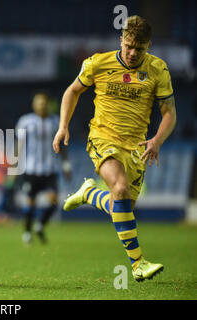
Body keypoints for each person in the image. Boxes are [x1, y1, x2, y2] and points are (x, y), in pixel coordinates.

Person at [52, 16, 176, 282]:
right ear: (121, 39)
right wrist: (63, 125)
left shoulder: (158, 69)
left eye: (139, 49)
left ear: (148, 46)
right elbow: (72, 91)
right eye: (128, 45)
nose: (132, 53)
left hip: (137, 147)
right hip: (103, 137)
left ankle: (89, 193)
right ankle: (138, 263)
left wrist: (157, 140)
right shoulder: (98, 62)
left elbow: (169, 113)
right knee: (119, 189)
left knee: (121, 207)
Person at [16, 92, 71, 244]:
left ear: (48, 104)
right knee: (29, 204)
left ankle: (40, 225)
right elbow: (18, 146)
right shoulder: (25, 121)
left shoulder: (56, 122)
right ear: (34, 104)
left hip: (49, 170)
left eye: (44, 103)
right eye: (38, 102)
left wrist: (66, 165)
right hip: (30, 170)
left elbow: (62, 147)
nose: (41, 105)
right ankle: (27, 233)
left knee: (54, 201)